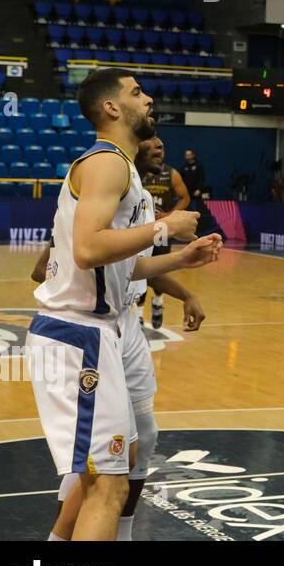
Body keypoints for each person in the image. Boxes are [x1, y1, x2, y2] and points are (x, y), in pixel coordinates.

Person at [25, 68, 221, 541]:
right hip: (78, 337)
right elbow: (88, 249)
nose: (149, 98)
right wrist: (165, 228)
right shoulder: (107, 163)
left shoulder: (122, 169)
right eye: (137, 92)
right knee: (108, 485)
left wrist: (182, 259)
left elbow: (117, 268)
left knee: (120, 463)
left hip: (96, 333)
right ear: (112, 108)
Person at [138, 136, 191, 328]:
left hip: (162, 229)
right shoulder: (137, 174)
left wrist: (171, 215)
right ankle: (138, 313)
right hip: (142, 228)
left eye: (162, 150)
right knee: (141, 268)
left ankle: (158, 301)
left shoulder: (171, 173)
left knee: (160, 269)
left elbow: (185, 197)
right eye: (155, 149)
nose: (160, 154)